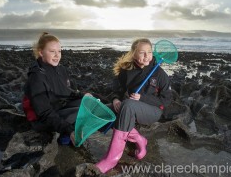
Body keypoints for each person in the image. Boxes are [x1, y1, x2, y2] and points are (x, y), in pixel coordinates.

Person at [95, 38, 172, 173]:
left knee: (128, 105)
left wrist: (143, 98)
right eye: (142, 52)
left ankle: (111, 160)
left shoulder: (159, 74)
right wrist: (115, 100)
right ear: (134, 53)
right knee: (104, 111)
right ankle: (139, 139)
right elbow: (117, 90)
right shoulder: (126, 71)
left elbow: (165, 100)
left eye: (149, 52)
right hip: (130, 106)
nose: (147, 56)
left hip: (153, 111)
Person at [22, 32, 91, 145]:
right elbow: (44, 113)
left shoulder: (60, 69)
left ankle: (69, 132)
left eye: (59, 51)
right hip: (42, 119)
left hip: (58, 107)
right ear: (41, 52)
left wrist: (82, 95)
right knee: (81, 111)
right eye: (52, 51)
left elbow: (66, 92)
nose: (57, 55)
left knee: (89, 102)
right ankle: (66, 138)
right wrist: (69, 130)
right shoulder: (36, 77)